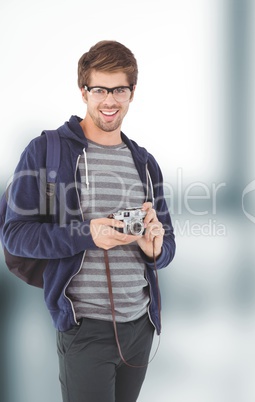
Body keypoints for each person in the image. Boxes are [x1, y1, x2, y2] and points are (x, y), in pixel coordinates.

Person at [3, 40, 176, 402]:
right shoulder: (46, 150)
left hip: (140, 326)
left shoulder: (145, 162)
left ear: (132, 93)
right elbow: (15, 235)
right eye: (100, 89)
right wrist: (87, 234)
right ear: (83, 91)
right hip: (84, 328)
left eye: (119, 90)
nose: (109, 101)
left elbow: (167, 243)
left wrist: (155, 250)